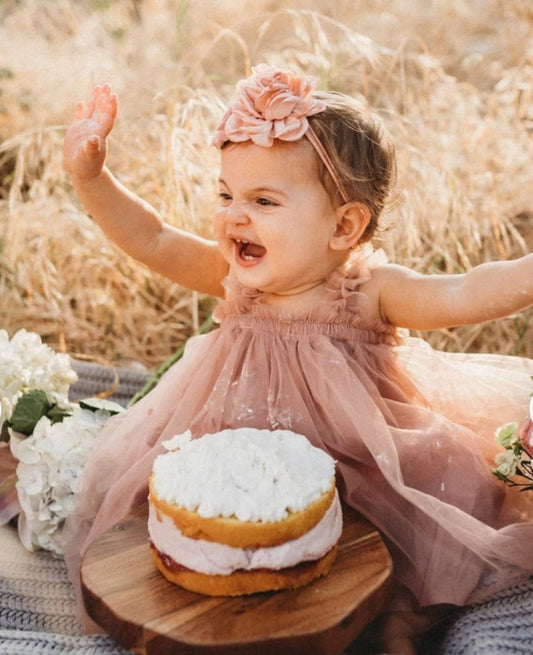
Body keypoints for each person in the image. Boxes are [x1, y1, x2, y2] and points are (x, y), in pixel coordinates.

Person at [62, 65, 533, 654]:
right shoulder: (234, 277)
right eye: (226, 194)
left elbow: (464, 292)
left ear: (344, 225)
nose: (234, 215)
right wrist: (92, 176)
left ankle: (401, 622)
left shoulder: (368, 292)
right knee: (155, 498)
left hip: (358, 469)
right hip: (240, 470)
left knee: (436, 501)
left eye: (263, 200)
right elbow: (153, 238)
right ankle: (209, 608)